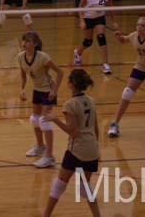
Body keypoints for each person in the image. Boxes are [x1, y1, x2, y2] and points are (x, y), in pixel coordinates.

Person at [42, 69, 100, 217]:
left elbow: (73, 132)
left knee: (60, 183)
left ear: (71, 84)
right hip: (92, 148)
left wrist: (55, 119)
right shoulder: (91, 101)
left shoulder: (70, 104)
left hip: (77, 149)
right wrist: (95, 149)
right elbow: (96, 129)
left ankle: (46, 215)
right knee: (84, 186)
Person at [18, 31, 63, 168]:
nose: (24, 43)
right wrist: (21, 89)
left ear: (35, 44)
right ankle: (40, 146)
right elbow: (24, 76)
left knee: (43, 121)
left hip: (48, 91)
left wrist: (54, 91)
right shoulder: (20, 57)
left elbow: (60, 72)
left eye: (28, 41)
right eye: (23, 40)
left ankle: (49, 156)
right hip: (37, 89)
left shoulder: (43, 57)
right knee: (34, 119)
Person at [73, 0, 119, 74]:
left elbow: (111, 8)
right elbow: (80, 6)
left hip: (99, 18)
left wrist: (114, 21)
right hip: (87, 17)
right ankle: (77, 52)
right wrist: (81, 21)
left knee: (101, 36)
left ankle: (106, 65)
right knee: (88, 42)